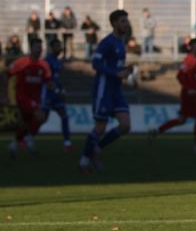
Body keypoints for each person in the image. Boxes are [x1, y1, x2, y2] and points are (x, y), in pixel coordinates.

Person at [79, 10, 135, 174]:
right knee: (100, 128)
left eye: (126, 21)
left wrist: (126, 71)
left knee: (125, 125)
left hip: (116, 91)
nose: (126, 24)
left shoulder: (120, 43)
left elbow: (115, 66)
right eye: (123, 21)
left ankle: (97, 149)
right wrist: (116, 73)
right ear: (114, 23)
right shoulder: (107, 42)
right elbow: (95, 64)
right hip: (103, 90)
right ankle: (83, 161)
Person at [149, 38, 196, 153]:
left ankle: (157, 131)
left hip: (189, 92)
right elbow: (180, 75)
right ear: (191, 47)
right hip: (189, 94)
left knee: (182, 120)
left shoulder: (193, 60)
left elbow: (190, 77)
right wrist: (189, 89)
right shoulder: (190, 60)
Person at [7, 39, 51, 158]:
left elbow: (48, 81)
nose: (39, 50)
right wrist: (8, 93)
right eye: (37, 47)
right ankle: (29, 140)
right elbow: (9, 74)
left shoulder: (44, 65)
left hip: (36, 98)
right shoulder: (21, 62)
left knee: (25, 124)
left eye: (40, 47)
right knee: (40, 116)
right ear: (31, 48)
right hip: (22, 96)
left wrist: (56, 90)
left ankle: (14, 144)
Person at [40, 39, 73, 150]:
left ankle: (67, 142)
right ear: (51, 48)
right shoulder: (47, 61)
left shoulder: (58, 61)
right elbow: (46, 79)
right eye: (57, 46)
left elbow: (57, 79)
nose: (60, 48)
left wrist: (61, 90)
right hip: (48, 94)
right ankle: (27, 136)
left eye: (60, 46)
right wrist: (58, 91)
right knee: (42, 119)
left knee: (64, 115)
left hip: (56, 94)